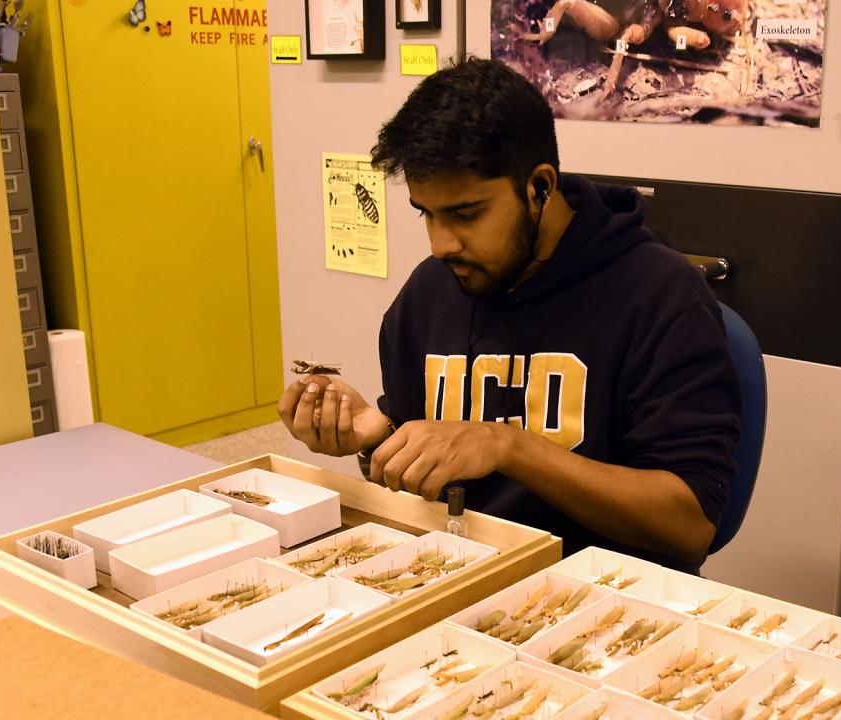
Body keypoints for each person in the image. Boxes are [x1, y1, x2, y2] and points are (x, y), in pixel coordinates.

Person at [279, 57, 740, 571]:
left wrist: (508, 447)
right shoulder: (427, 295)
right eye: (425, 213)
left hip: (602, 601)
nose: (439, 244)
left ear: (539, 187)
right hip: (454, 582)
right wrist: (377, 437)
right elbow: (429, 483)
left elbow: (689, 526)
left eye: (466, 214)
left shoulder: (661, 296)